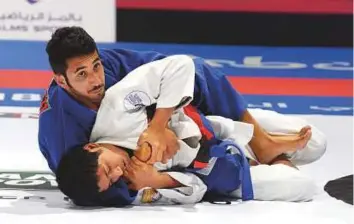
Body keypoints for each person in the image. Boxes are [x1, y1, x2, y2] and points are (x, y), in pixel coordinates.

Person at [38, 26, 325, 175]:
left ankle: (261, 141)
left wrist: (159, 123)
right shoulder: (61, 130)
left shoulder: (104, 64)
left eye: (96, 66)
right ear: (60, 80)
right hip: (164, 159)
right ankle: (251, 159)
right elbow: (85, 180)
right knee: (292, 178)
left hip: (186, 119)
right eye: (82, 74)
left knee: (316, 144)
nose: (96, 79)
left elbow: (176, 68)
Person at [55, 56, 324, 207]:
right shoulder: (131, 184)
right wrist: (157, 180)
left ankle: (265, 148)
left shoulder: (116, 108)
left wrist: (158, 126)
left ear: (93, 147)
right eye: (111, 181)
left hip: (221, 127)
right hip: (223, 166)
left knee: (317, 143)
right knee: (302, 185)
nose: (117, 174)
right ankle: (273, 159)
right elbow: (197, 188)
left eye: (107, 169)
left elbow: (181, 65)